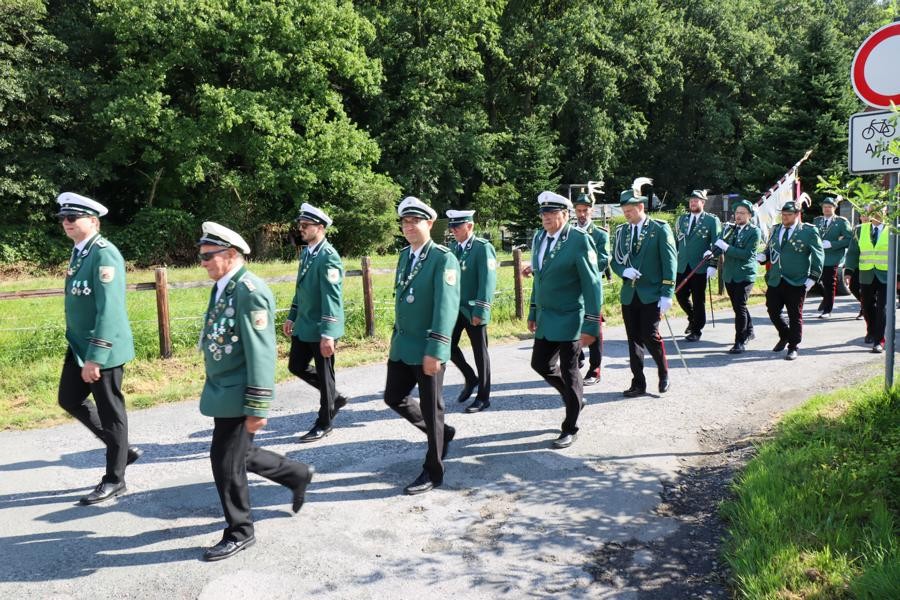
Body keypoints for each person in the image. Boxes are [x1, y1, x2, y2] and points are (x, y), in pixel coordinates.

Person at [197, 222, 314, 561]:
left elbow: (261, 352)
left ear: (231, 254)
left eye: (208, 256)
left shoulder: (249, 291)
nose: (202, 262)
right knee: (239, 453)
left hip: (239, 392)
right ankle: (296, 474)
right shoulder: (224, 286)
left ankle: (241, 530)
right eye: (201, 255)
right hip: (224, 389)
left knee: (225, 461)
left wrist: (258, 406)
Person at [55, 192, 141, 505]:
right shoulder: (80, 252)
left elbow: (110, 310)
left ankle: (115, 479)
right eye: (63, 218)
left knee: (111, 412)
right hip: (79, 345)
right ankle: (122, 449)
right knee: (69, 398)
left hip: (101, 348)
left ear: (93, 221)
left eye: (72, 217)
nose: (66, 223)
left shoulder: (104, 254)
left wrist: (96, 357)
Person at [384, 197, 460, 495]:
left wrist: (437, 350)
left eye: (415, 221)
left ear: (429, 223)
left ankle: (433, 470)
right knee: (394, 396)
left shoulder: (442, 258)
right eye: (405, 222)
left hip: (427, 347)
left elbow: (446, 308)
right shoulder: (405, 255)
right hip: (403, 345)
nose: (409, 226)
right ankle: (443, 433)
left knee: (431, 409)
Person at [526, 191, 602, 448]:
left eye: (552, 213)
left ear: (565, 215)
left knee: (570, 372)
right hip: (547, 317)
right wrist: (533, 311)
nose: (546, 217)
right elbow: (539, 278)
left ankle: (570, 426)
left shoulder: (578, 240)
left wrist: (591, 323)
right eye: (543, 213)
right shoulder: (539, 237)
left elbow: (592, 284)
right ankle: (574, 398)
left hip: (571, 317)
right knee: (540, 364)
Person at [284, 203, 350, 442]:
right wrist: (292, 315)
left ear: (320, 227)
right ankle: (335, 397)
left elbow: (332, 298)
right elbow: (301, 289)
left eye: (306, 225)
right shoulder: (308, 253)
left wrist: (329, 333)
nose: (301, 228)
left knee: (325, 375)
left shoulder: (328, 257)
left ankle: (325, 423)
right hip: (305, 324)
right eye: (300, 224)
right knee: (296, 366)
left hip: (322, 327)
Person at [610, 189, 677, 396]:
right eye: (624, 211)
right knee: (633, 340)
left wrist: (667, 292)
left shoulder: (659, 228)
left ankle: (663, 372)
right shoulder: (622, 231)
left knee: (650, 336)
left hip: (652, 292)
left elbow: (670, 262)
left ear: (641, 207)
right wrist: (623, 271)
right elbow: (615, 260)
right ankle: (638, 382)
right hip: (629, 293)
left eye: (629, 210)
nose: (626, 214)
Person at [757, 201, 824, 360]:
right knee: (772, 310)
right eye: (783, 214)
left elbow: (818, 255)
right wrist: (764, 256)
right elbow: (771, 248)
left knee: (795, 315)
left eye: (788, 215)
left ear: (797, 214)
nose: (785, 217)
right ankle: (785, 334)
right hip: (776, 278)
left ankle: (793, 346)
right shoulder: (776, 229)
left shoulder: (808, 231)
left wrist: (813, 277)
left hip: (797, 280)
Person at [446, 209, 497, 413]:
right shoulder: (452, 248)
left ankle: (483, 397)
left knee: (480, 354)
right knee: (447, 346)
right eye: (451, 227)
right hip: (455, 309)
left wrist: (481, 310)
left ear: (470, 226)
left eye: (457, 226)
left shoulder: (482, 247)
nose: (453, 230)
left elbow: (487, 281)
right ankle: (470, 377)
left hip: (473, 309)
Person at [712, 200, 761, 353]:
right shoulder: (730, 228)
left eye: (742, 213)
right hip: (729, 274)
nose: (738, 216)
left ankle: (740, 340)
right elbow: (720, 244)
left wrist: (727, 248)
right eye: (737, 213)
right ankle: (749, 330)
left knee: (739, 307)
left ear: (749, 215)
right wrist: (712, 253)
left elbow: (747, 255)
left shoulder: (754, 231)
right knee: (738, 306)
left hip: (745, 274)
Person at [572, 190, 609, 386]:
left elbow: (603, 260)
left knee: (593, 327)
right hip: (572, 289)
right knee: (573, 325)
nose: (581, 214)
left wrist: (582, 271)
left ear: (591, 211)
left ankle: (595, 368)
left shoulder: (600, 234)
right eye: (578, 210)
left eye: (585, 210)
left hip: (591, 288)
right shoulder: (568, 232)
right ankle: (576, 358)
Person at [843, 206, 892, 353]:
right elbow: (853, 252)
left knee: (882, 307)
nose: (876, 214)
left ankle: (879, 340)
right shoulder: (860, 230)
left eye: (879, 210)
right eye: (873, 211)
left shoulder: (893, 229)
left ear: (885, 212)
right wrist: (848, 271)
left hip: (886, 275)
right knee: (866, 305)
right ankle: (871, 330)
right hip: (866, 274)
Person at [674, 190, 721, 341]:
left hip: (700, 266)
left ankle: (696, 330)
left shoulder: (711, 220)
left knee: (698, 299)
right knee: (679, 294)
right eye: (691, 201)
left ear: (703, 202)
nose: (693, 203)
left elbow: (717, 244)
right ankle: (693, 317)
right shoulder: (681, 219)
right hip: (682, 264)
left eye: (696, 200)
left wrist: (713, 264)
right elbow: (676, 242)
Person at [813, 197, 852, 318]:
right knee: (814, 280)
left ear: (835, 208)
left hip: (833, 257)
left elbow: (849, 240)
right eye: (825, 207)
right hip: (818, 256)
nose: (826, 209)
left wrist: (832, 244)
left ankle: (827, 310)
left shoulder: (841, 222)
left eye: (829, 207)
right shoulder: (817, 221)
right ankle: (826, 299)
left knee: (829, 283)